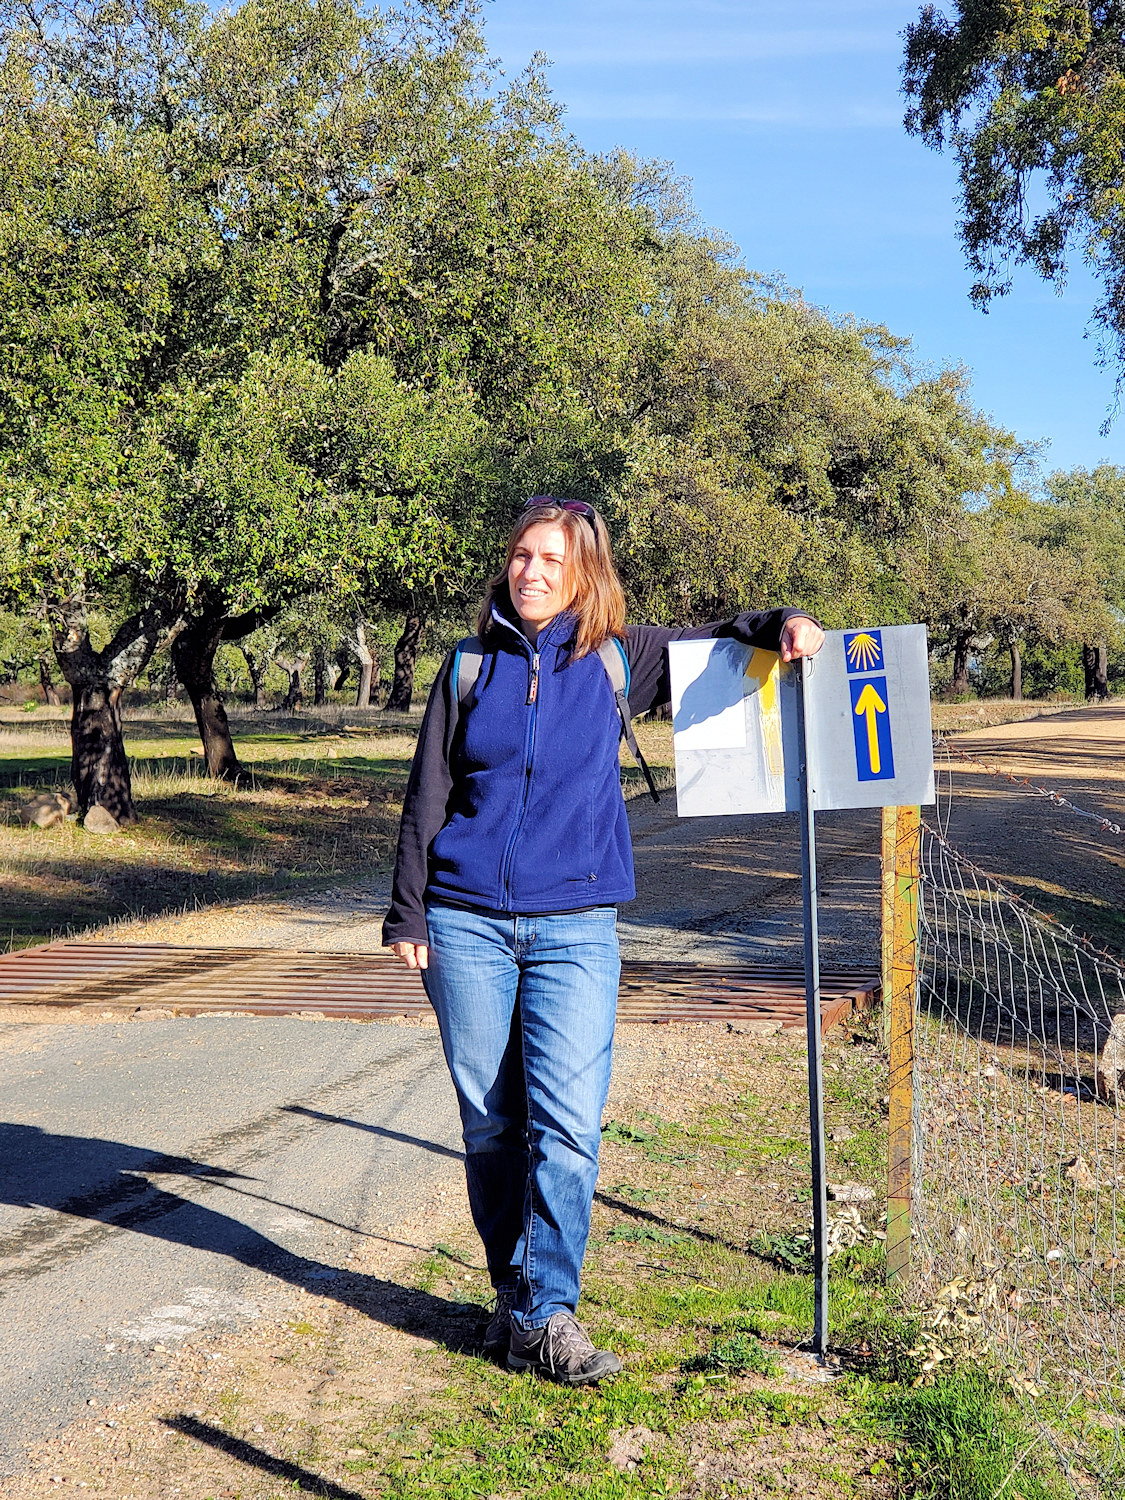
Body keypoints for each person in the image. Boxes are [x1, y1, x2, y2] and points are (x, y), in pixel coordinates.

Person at [383, 497, 824, 1384]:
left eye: (550, 559)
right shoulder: (469, 665)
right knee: (491, 1124)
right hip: (465, 921)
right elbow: (427, 792)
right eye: (520, 556)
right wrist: (409, 913)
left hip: (576, 926)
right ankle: (513, 1298)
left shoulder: (626, 658)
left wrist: (790, 623)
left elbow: (728, 635)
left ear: (584, 570)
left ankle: (549, 1313)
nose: (531, 571)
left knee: (569, 1126)